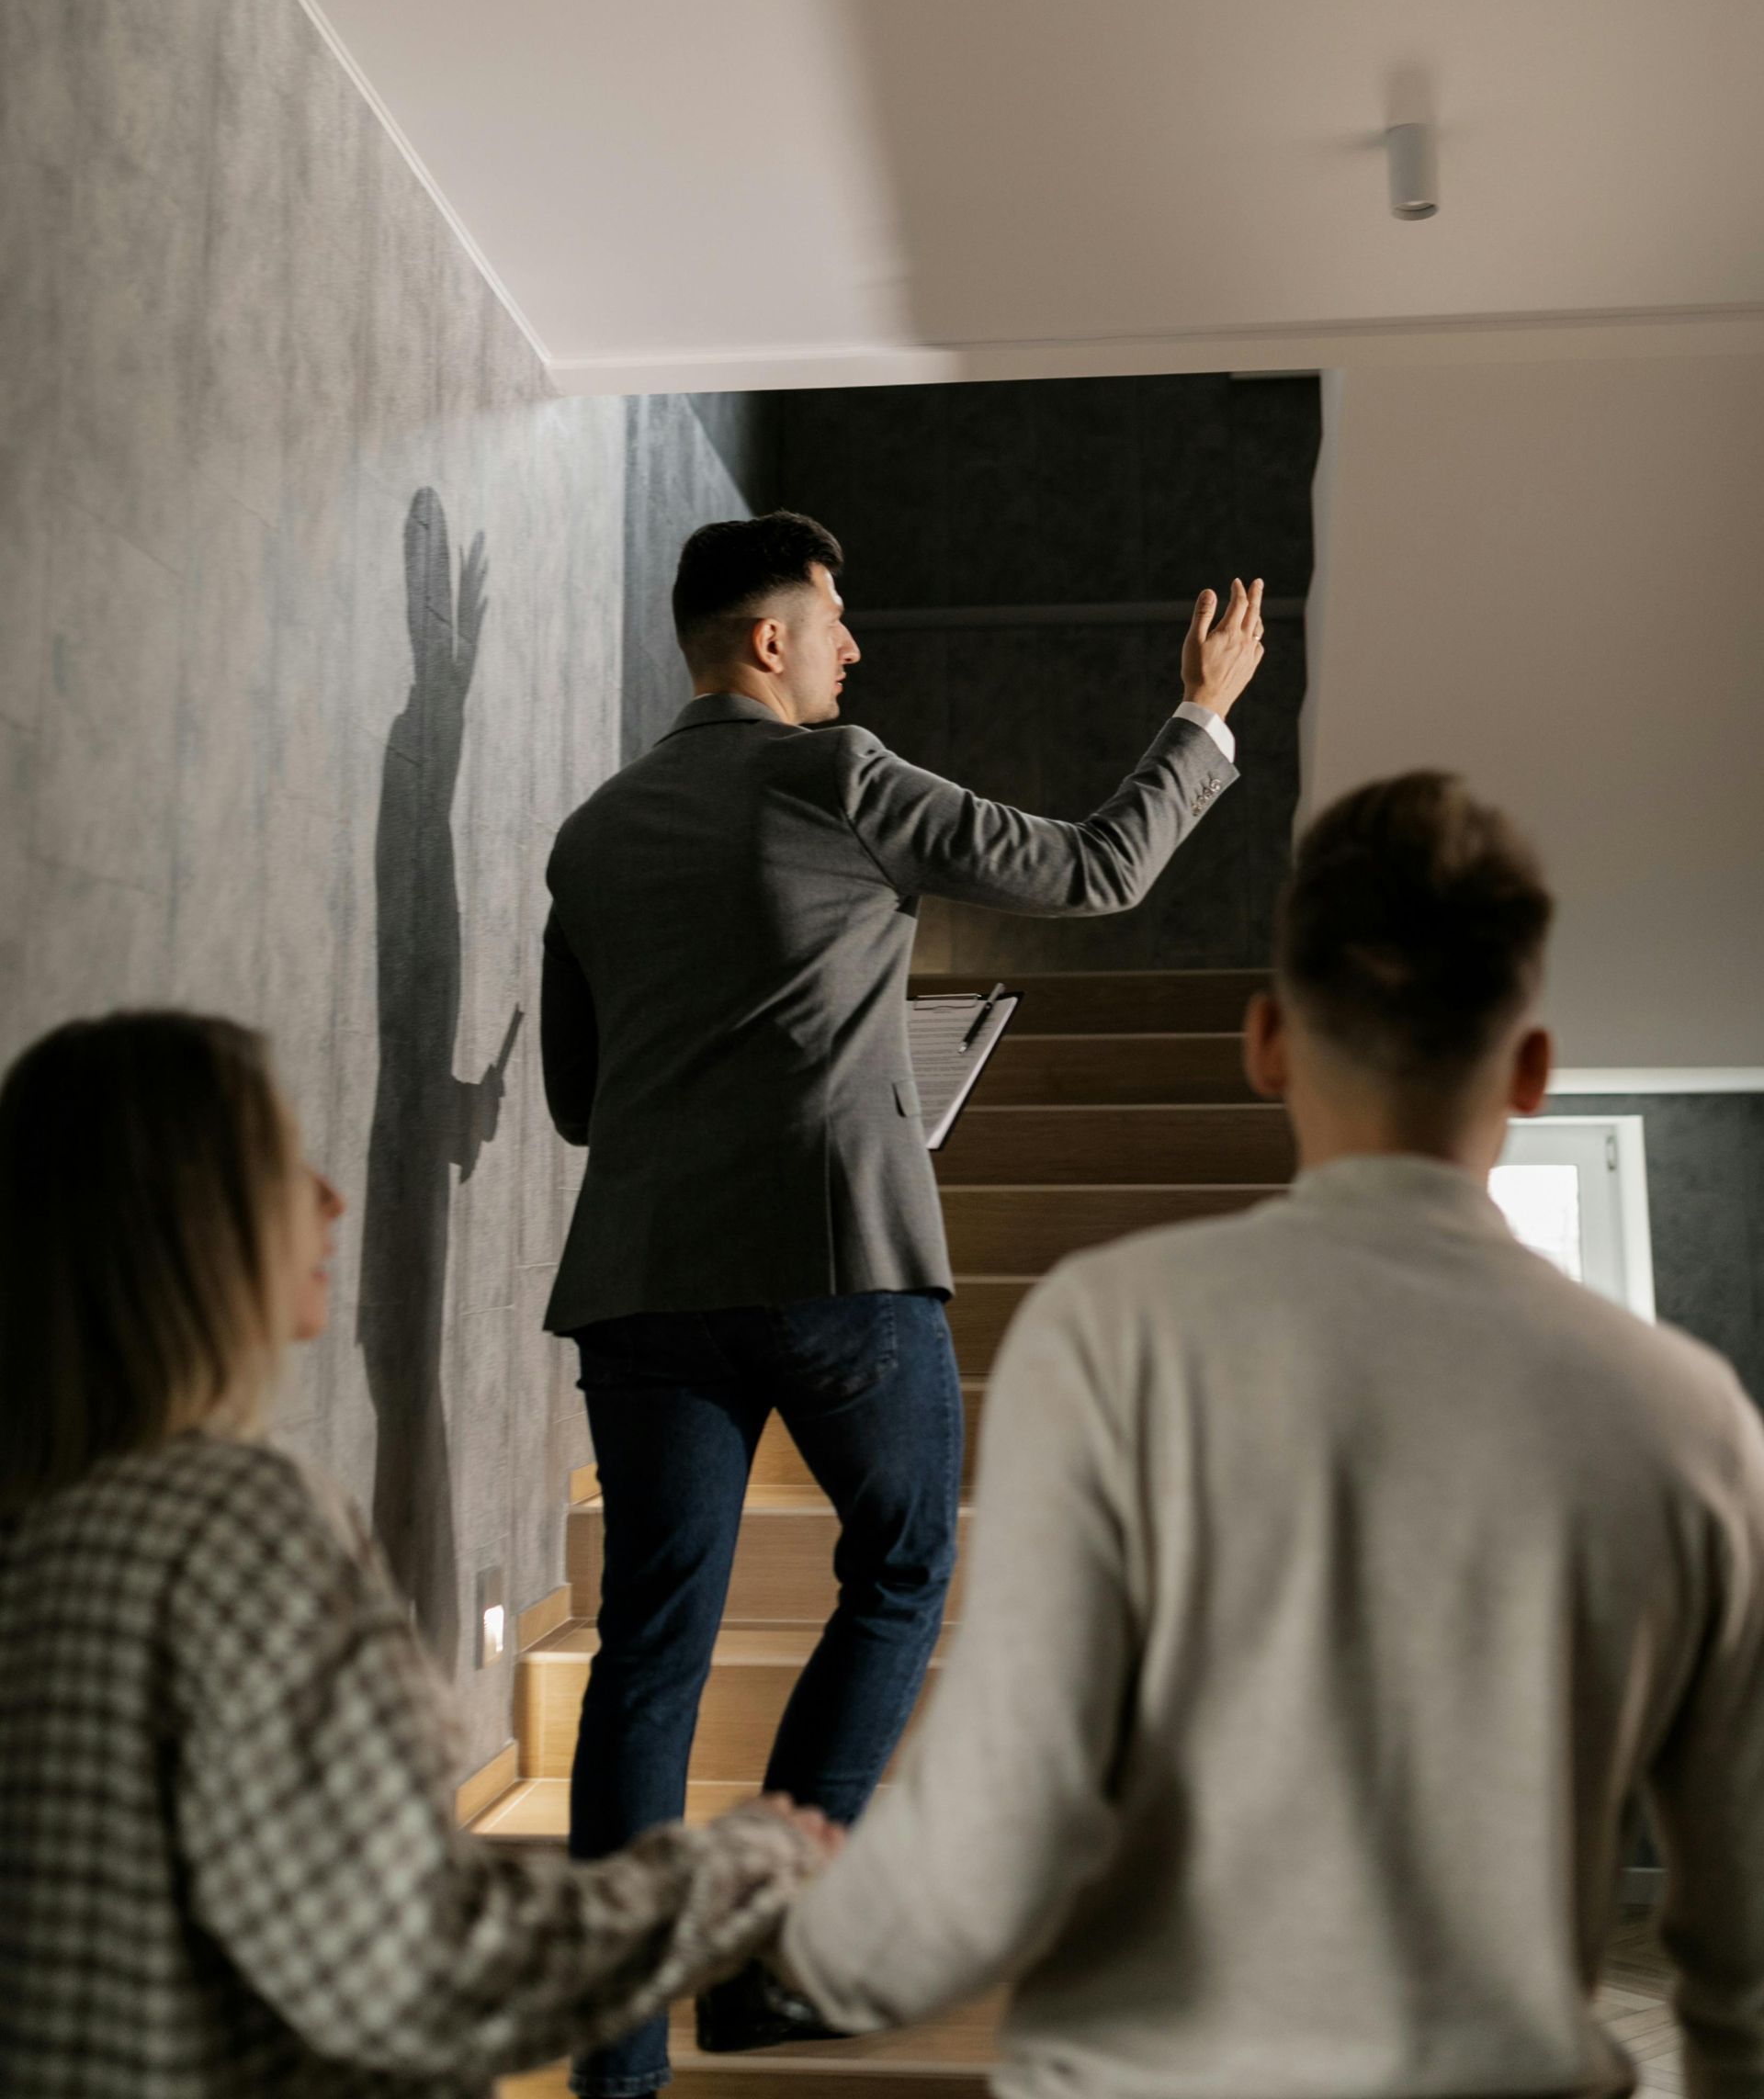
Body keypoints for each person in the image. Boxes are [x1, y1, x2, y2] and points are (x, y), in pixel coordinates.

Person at [777, 773, 1764, 2099]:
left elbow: (994, 1835)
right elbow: (1744, 1950)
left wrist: (794, 1938)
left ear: (1266, 1044)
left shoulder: (1114, 1332)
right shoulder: (1691, 1418)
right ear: (1533, 1068)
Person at [539, 511, 1264, 2089]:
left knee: (647, 1651)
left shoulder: (591, 835)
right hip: (835, 1264)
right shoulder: (835, 774)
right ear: (770, 639)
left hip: (643, 1284)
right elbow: (1094, 869)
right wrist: (1203, 714)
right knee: (908, 1564)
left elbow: (581, 1099)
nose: (856, 647)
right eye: (837, 618)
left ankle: (614, 2066)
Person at [0, 1011, 834, 2099]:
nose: (332, 1197)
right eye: (282, 1162)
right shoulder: (228, 1527)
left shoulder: (46, 1537)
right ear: (187, 1227)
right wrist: (742, 1868)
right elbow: (421, 1963)